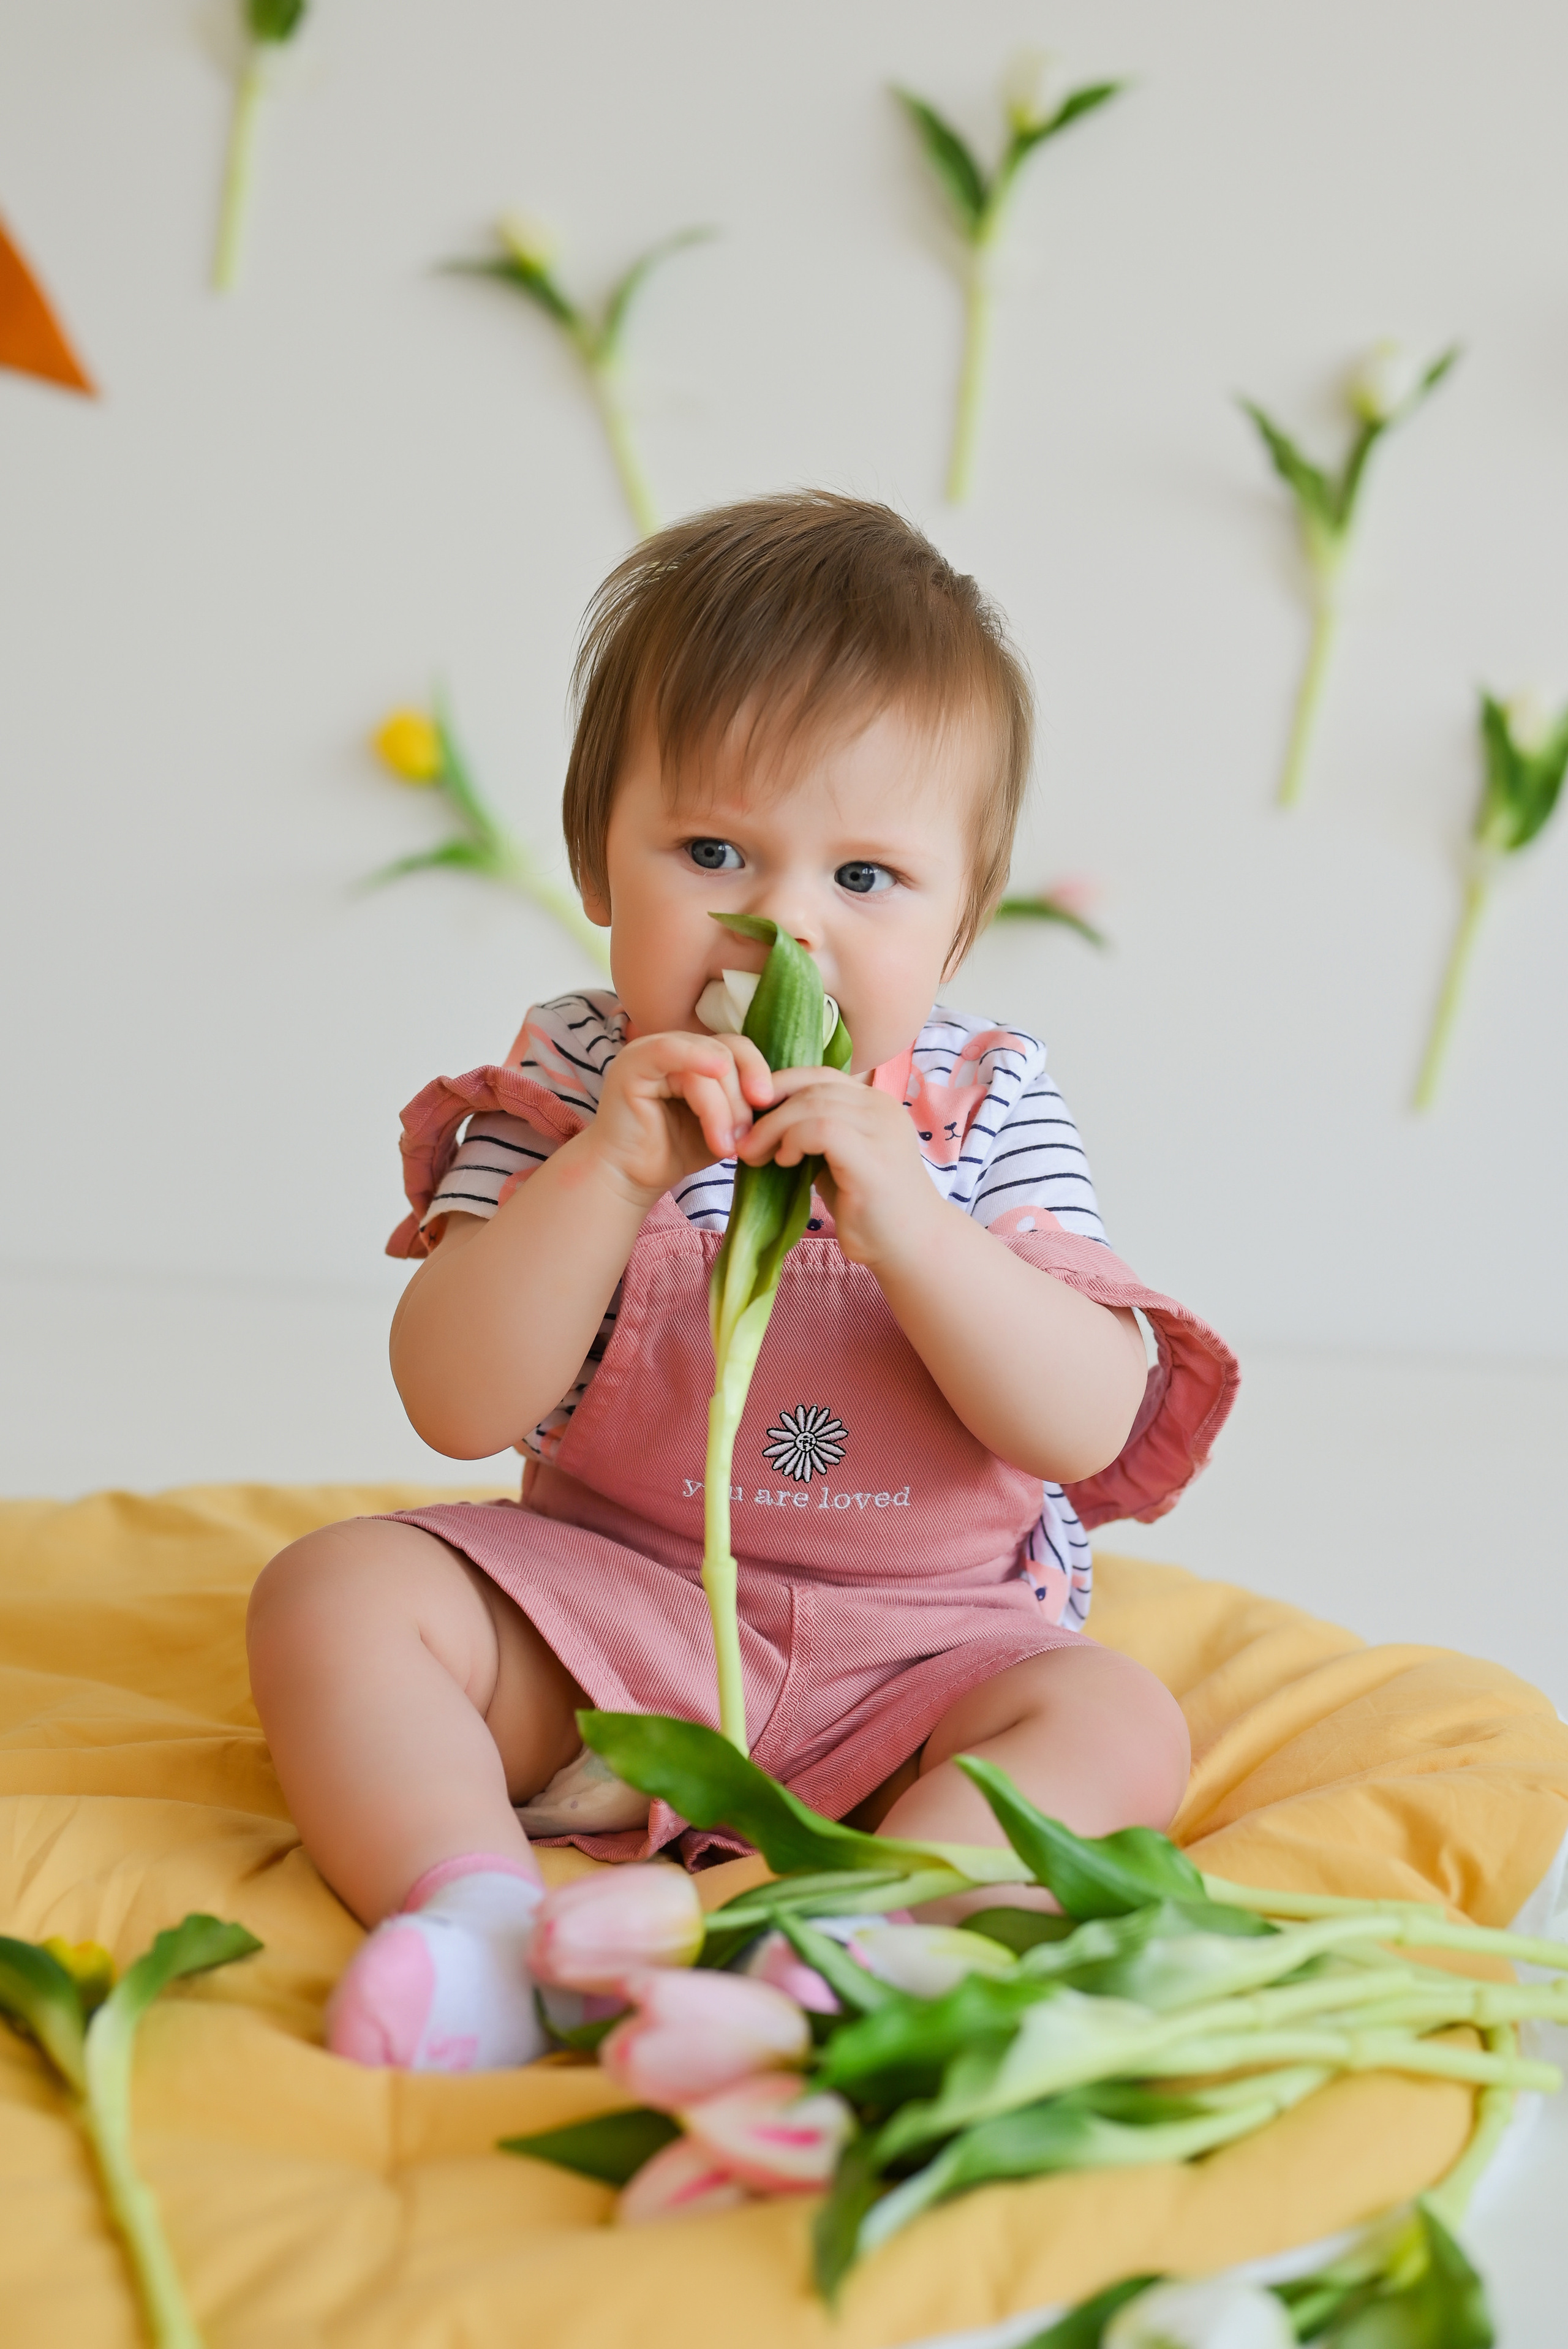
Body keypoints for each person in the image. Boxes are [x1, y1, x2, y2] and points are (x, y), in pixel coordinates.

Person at [246, 493, 1237, 2073]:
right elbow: (454, 1401)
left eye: (867, 877)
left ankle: (864, 1947)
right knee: (339, 1594)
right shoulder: (576, 1077)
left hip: (927, 1660)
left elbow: (1083, 1420)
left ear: (962, 921)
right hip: (616, 1633)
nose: (784, 919)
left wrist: (911, 1223)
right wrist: (605, 1177)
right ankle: (485, 1926)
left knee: (1119, 1726)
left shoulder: (981, 1107)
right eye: (714, 852)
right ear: (596, 862)